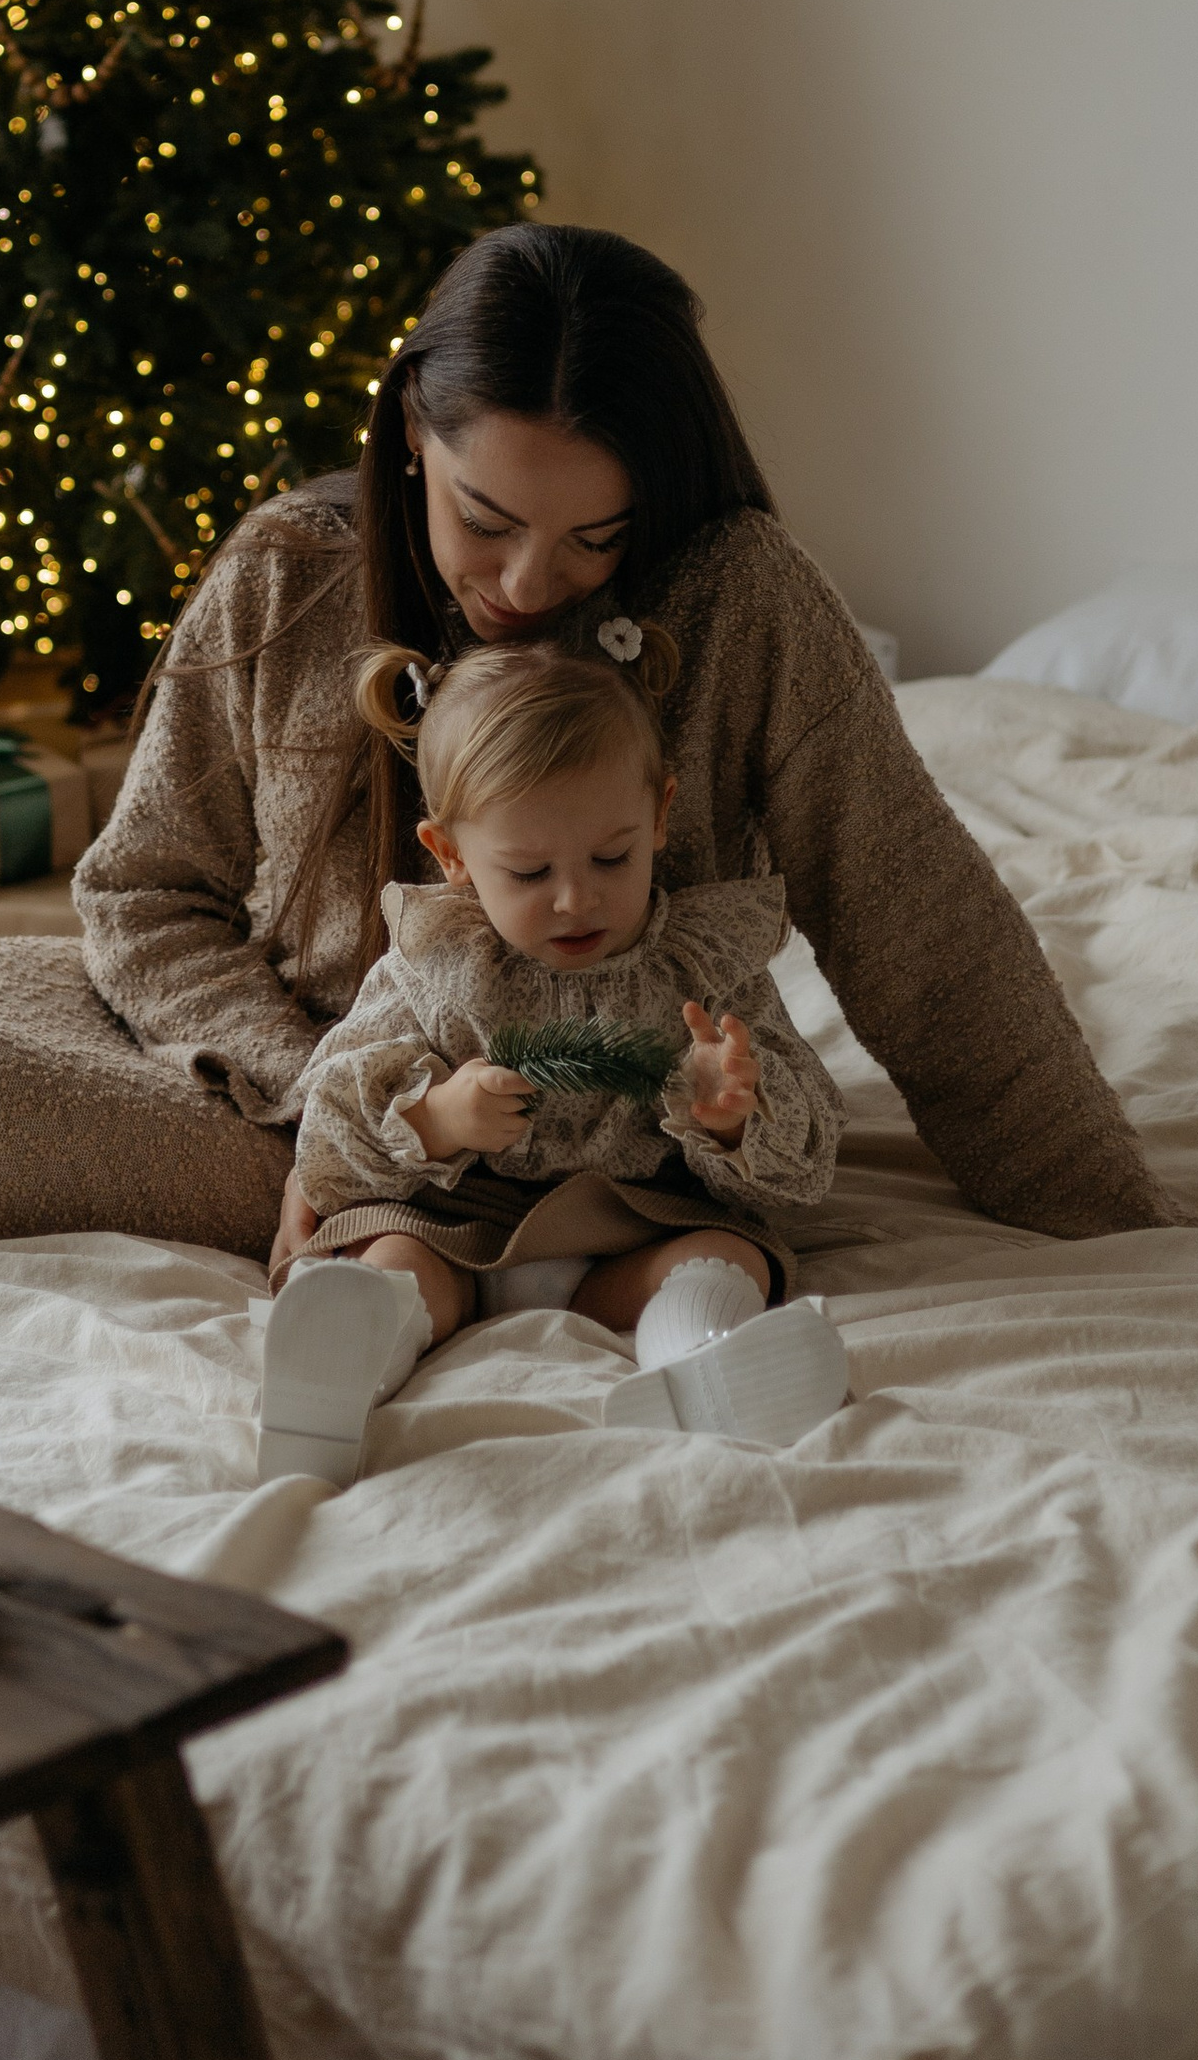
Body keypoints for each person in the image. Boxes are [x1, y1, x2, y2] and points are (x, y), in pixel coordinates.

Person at [0, 223, 1156, 1254]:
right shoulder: (288, 572)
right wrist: (322, 1101)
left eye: (595, 539)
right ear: (411, 432)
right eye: (488, 521)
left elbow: (922, 921)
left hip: (565, 1136)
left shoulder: (746, 602)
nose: (530, 586)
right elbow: (143, 894)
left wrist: (1113, 1208)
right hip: (313, 1086)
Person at [258, 631, 850, 1485]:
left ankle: (703, 1362)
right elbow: (330, 1119)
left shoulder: (704, 965)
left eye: (613, 858)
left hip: (633, 1236)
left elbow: (811, 1154)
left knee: (732, 1258)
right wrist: (436, 1117)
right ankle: (337, 1376)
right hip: (454, 1230)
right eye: (529, 872)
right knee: (387, 1260)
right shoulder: (435, 963)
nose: (577, 898)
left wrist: (734, 1114)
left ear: (660, 815)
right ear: (451, 856)